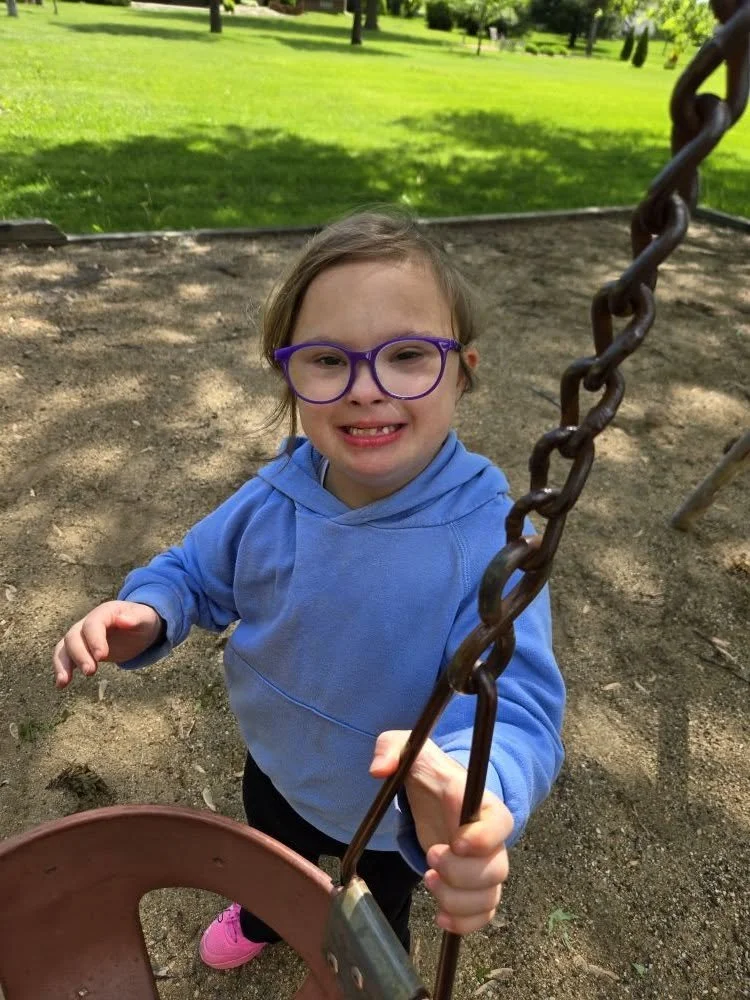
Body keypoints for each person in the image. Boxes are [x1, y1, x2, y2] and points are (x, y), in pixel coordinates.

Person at [52, 210, 565, 973]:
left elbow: (517, 708)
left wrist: (473, 785)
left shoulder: (487, 543)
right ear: (287, 372)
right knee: (271, 856)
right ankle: (263, 916)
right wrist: (150, 611)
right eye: (328, 360)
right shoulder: (275, 497)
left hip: (390, 812)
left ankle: (357, 960)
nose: (366, 390)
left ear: (463, 369)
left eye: (408, 355)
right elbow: (193, 570)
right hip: (279, 762)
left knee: (373, 911)